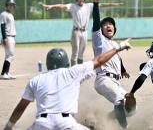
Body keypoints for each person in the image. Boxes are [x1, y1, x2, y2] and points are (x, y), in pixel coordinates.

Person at [3, 42, 131, 130]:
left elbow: (21, 107)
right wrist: (118, 47)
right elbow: (99, 61)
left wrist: (8, 126)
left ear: (48, 63)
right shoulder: (72, 72)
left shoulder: (35, 80)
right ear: (66, 63)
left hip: (42, 124)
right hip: (66, 124)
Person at [88, 0, 131, 129]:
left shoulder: (114, 44)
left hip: (116, 82)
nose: (108, 25)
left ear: (115, 28)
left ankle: (107, 118)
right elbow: (95, 21)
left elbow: (116, 57)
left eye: (110, 24)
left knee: (131, 105)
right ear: (100, 30)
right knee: (119, 100)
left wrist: (123, 70)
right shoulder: (98, 40)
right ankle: (125, 128)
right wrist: (96, 4)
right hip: (103, 80)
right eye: (105, 24)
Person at [43, 0, 123, 65]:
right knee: (75, 52)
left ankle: (79, 69)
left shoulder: (89, 6)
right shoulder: (73, 6)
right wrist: (52, 6)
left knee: (81, 52)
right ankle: (73, 69)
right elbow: (62, 6)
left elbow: (101, 5)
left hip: (85, 32)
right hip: (76, 32)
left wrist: (114, 4)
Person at [0, 0, 16, 80]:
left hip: (12, 37)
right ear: (7, 5)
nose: (12, 6)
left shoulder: (11, 15)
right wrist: (4, 38)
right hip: (8, 37)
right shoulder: (3, 14)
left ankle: (6, 72)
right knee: (10, 55)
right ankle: (3, 73)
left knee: (9, 56)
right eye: (10, 5)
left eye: (13, 5)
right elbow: (2, 26)